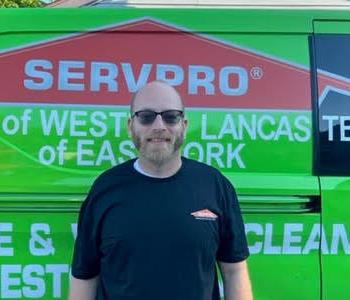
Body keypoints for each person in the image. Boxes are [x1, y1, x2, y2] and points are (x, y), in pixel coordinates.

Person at [69, 81, 253, 300]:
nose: (159, 125)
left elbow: (235, 272)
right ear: (130, 126)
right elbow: (85, 276)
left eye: (170, 116)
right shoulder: (104, 190)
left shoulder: (215, 186)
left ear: (184, 125)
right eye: (146, 116)